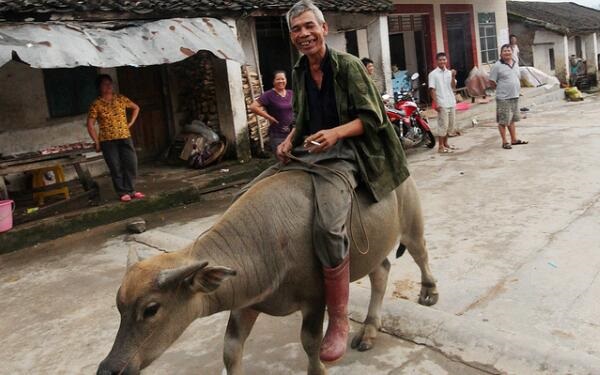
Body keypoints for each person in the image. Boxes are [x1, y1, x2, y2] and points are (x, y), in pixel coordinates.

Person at [239, 0, 409, 363]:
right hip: (313, 150)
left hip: (350, 153)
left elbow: (374, 117)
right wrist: (289, 140)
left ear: (323, 29)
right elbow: (302, 118)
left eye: (308, 26)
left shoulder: (346, 66)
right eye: (297, 29)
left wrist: (334, 134)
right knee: (249, 193)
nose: (304, 34)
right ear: (292, 36)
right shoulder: (299, 71)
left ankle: (339, 319)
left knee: (330, 226)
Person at [87, 74, 143, 202]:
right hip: (107, 140)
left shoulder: (120, 98)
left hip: (124, 136)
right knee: (115, 166)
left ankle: (131, 189)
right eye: (105, 84)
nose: (108, 86)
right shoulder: (96, 104)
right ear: (99, 87)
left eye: (110, 83)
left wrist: (130, 123)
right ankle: (122, 192)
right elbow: (90, 124)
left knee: (131, 163)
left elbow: (136, 108)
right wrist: (96, 141)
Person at [489, 44, 528, 149]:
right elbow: (492, 81)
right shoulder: (497, 66)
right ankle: (505, 141)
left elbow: (516, 77)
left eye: (509, 50)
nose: (507, 52)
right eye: (505, 51)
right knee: (503, 120)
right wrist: (501, 89)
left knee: (512, 119)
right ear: (501, 54)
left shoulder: (515, 64)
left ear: (512, 52)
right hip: (503, 97)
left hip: (514, 96)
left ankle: (514, 139)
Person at [249, 71, 294, 151]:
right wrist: (269, 117)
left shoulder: (291, 93)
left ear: (286, 80)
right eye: (278, 79)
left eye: (283, 79)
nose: (281, 81)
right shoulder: (268, 95)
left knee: (294, 159)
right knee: (282, 157)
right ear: (273, 81)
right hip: (278, 134)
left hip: (292, 133)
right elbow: (253, 107)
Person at [428, 52, 459, 153]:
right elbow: (432, 89)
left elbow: (453, 86)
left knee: (450, 125)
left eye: (444, 59)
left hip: (451, 101)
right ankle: (440, 146)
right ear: (436, 61)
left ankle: (446, 143)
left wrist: (453, 76)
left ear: (446, 60)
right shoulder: (433, 74)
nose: (442, 61)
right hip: (441, 102)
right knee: (443, 125)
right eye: (440, 60)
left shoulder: (450, 72)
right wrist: (436, 103)